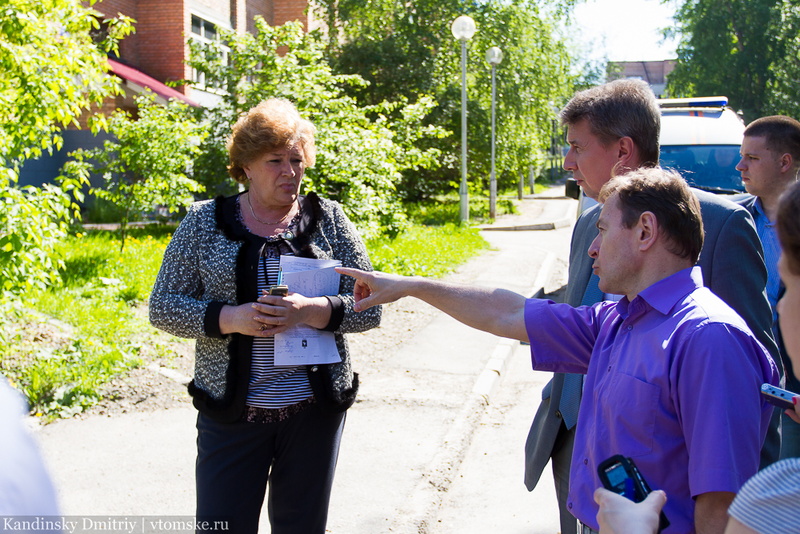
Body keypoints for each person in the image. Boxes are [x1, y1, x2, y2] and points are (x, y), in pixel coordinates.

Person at [338, 168, 779, 533]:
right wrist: (410, 287)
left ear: (645, 231)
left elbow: (722, 508)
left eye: (603, 229)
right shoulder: (616, 319)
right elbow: (508, 313)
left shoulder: (708, 339)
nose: (591, 247)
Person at [524, 79, 780, 534]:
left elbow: (749, 383)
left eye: (577, 147)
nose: (568, 163)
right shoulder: (588, 224)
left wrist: (741, 506)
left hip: (664, 493)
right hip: (576, 450)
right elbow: (569, 317)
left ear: (622, 150)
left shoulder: (721, 224)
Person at [149, 98, 381, 534]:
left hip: (314, 413)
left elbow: (371, 307)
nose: (289, 172)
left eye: (297, 160)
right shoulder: (204, 222)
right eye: (275, 160)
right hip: (232, 415)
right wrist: (231, 318)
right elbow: (163, 306)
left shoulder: (329, 219)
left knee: (301, 527)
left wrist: (315, 311)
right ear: (246, 165)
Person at [594, 179, 800, 534]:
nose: (779, 304)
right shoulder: (626, 316)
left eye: (789, 284)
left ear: (646, 231)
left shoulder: (781, 499)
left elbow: (718, 502)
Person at [735, 115, 800, 459]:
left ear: (785, 162)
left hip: (792, 397)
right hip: (739, 382)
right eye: (742, 155)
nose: (739, 165)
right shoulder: (731, 219)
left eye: (752, 158)